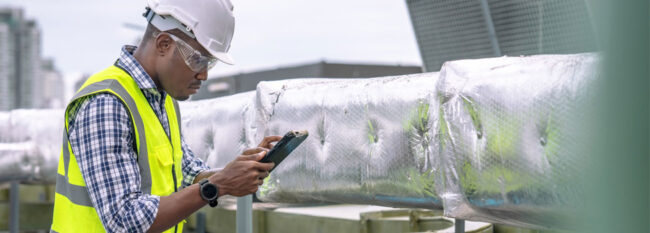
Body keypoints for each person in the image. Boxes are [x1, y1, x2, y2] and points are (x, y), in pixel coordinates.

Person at [50, 0, 280, 232]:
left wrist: (238, 171)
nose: (204, 75)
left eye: (209, 62)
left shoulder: (162, 99)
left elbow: (187, 173)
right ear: (163, 44)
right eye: (198, 59)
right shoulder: (106, 103)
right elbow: (124, 220)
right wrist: (218, 184)